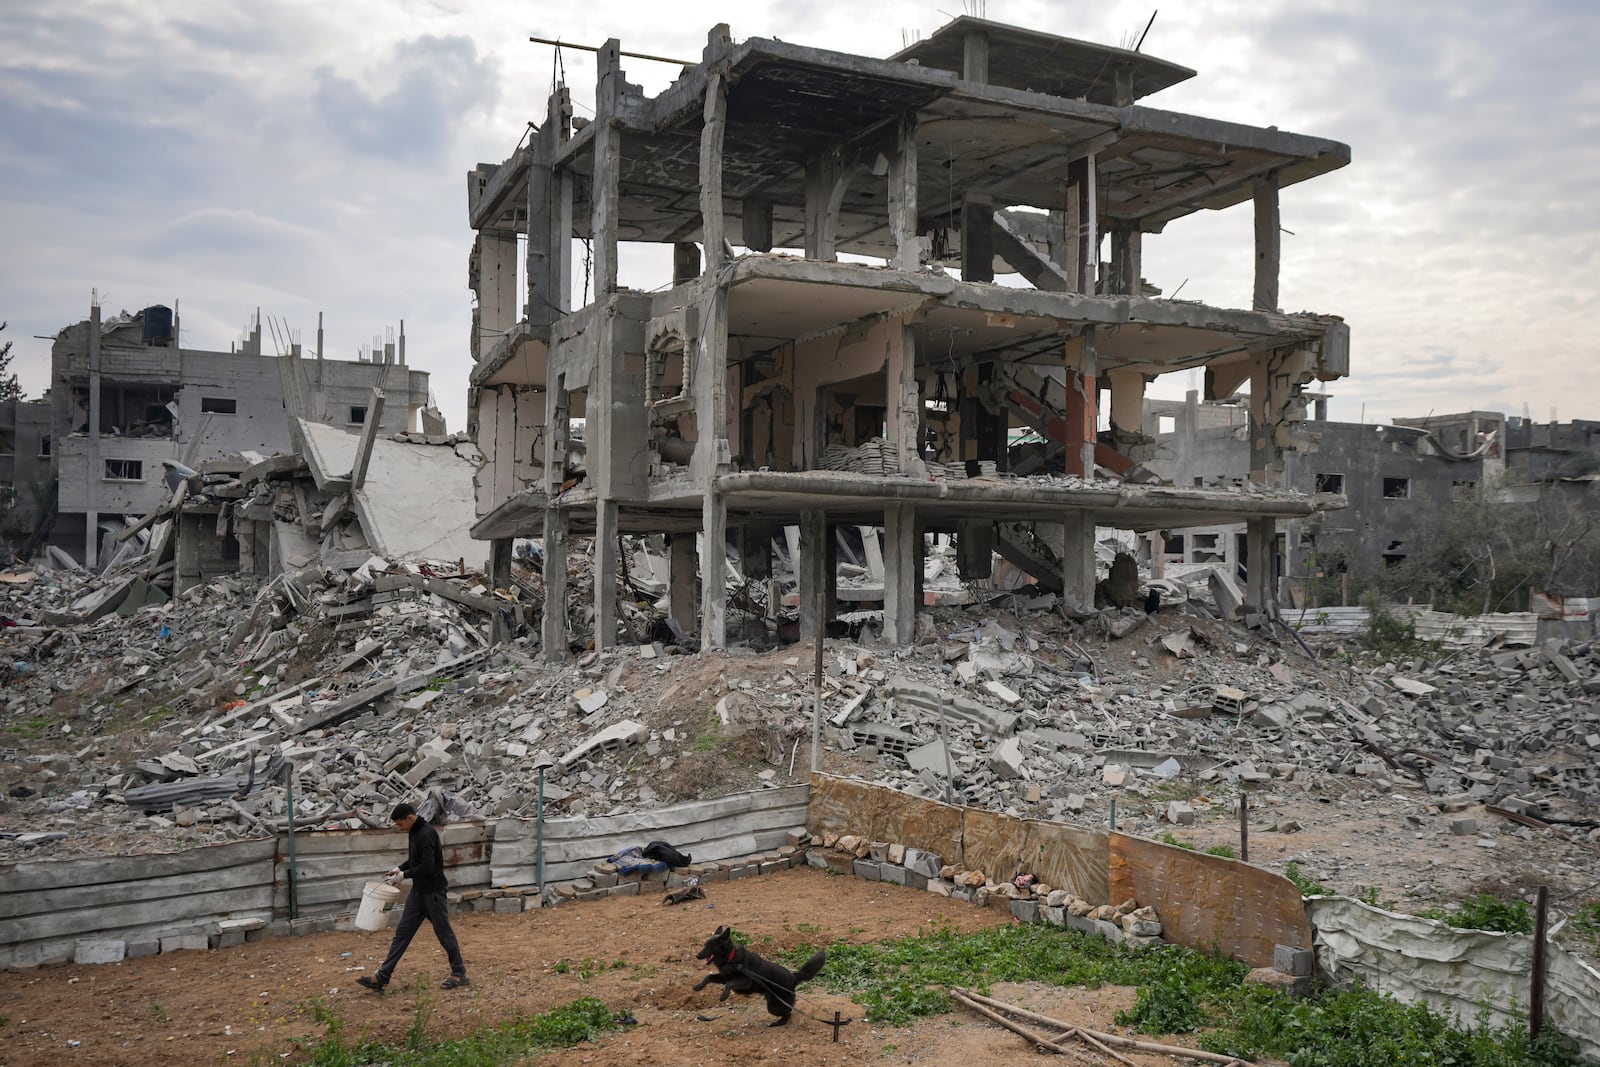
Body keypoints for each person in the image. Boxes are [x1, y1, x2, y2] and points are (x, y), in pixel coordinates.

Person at [357, 802, 470, 992]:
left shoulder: (426, 834)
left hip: (433, 893)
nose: (400, 828)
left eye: (400, 824)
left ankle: (459, 973)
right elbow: (415, 859)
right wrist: (400, 868)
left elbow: (428, 867)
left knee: (444, 934)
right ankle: (382, 976)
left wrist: (404, 875)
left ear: (410, 818)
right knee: (402, 934)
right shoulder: (414, 832)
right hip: (418, 893)